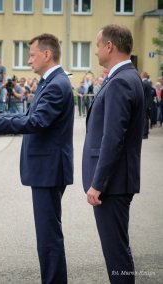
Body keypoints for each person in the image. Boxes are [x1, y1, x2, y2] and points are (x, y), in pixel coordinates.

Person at [0, 33, 74, 284]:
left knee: (48, 236)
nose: (29, 60)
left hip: (48, 169)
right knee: (47, 235)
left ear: (47, 54)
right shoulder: (50, 82)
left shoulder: (55, 84)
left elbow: (36, 121)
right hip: (46, 168)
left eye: (31, 55)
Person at [82, 24, 144, 284]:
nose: (96, 52)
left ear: (110, 46)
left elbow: (113, 139)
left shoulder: (120, 81)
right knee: (118, 250)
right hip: (117, 180)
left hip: (113, 184)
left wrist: (98, 184)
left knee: (116, 253)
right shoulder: (127, 77)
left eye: (98, 45)